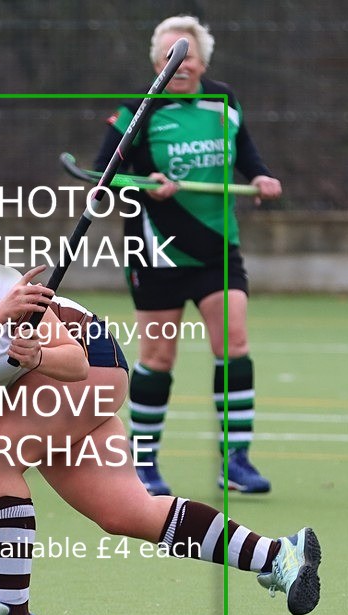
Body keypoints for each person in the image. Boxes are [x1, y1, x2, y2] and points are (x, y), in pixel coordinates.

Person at [0, 220, 320, 615]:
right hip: (29, 399)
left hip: (89, 360)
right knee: (127, 513)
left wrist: (38, 352)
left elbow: (74, 364)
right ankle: (279, 555)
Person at [92, 15, 282, 496]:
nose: (178, 64)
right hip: (157, 249)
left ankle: (235, 461)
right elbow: (103, 175)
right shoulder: (138, 109)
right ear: (156, 62)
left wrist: (259, 176)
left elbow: (245, 151)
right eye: (167, 56)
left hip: (218, 246)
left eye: (186, 54)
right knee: (158, 355)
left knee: (234, 342)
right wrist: (146, 183)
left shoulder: (225, 100)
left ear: (202, 59)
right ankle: (143, 464)